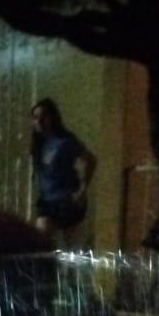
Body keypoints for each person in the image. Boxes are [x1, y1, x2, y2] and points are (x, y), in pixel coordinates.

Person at [29, 98, 97, 244]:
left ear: (52, 118)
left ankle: (69, 266)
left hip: (68, 202)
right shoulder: (40, 144)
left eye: (44, 117)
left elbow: (90, 160)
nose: (39, 121)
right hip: (48, 202)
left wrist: (82, 190)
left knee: (71, 248)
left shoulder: (65, 141)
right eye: (35, 118)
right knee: (41, 238)